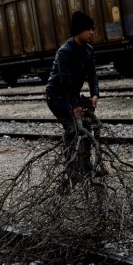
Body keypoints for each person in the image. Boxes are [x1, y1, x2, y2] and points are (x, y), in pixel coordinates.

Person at [45, 11, 100, 180]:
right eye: (88, 29)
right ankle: (72, 171)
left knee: (86, 128)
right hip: (57, 97)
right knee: (73, 129)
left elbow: (92, 74)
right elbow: (66, 82)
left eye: (93, 29)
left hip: (72, 95)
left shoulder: (88, 50)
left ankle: (86, 166)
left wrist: (94, 93)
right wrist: (75, 105)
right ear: (78, 30)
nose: (92, 32)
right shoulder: (65, 52)